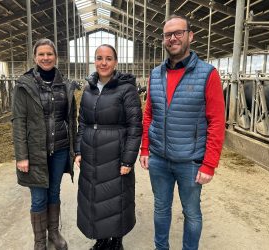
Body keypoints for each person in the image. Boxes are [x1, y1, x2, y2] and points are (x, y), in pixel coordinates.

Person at [139, 15, 225, 250]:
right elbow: (149, 114)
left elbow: (217, 122)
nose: (173, 38)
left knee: (192, 213)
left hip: (191, 162)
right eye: (168, 35)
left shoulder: (208, 74)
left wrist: (209, 164)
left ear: (190, 36)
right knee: (161, 208)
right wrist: (145, 148)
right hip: (158, 158)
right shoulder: (155, 74)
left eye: (178, 33)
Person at [74, 44, 142, 250]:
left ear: (115, 62)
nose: (103, 62)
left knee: (117, 198)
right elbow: (82, 122)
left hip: (115, 153)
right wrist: (78, 150)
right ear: (94, 61)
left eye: (108, 58)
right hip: (91, 153)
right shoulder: (88, 90)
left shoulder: (127, 90)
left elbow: (135, 126)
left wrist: (128, 159)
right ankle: (101, 240)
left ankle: (116, 241)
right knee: (95, 197)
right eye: (99, 58)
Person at [12, 38, 77, 250]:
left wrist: (74, 150)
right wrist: (21, 155)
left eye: (49, 54)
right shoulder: (24, 85)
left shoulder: (65, 85)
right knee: (38, 197)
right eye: (41, 54)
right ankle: (39, 241)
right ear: (35, 57)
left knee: (54, 192)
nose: (46, 58)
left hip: (59, 150)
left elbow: (72, 120)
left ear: (55, 57)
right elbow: (19, 121)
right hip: (34, 151)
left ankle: (54, 234)